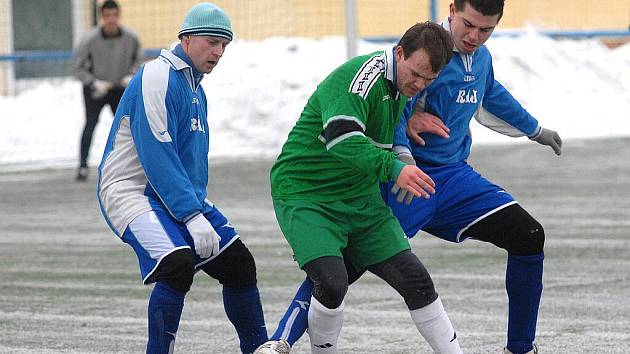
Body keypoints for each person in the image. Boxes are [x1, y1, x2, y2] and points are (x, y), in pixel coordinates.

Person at [258, 1, 562, 354]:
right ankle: (280, 340)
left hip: (454, 179)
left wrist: (534, 129)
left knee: (528, 235)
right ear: (451, 10)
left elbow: (491, 94)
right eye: (468, 25)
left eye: (486, 30)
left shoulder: (480, 59)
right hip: (405, 181)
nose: (474, 36)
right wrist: (404, 145)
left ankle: (521, 347)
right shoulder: (420, 54)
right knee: (343, 267)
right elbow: (389, 107)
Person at [257, 22, 461, 354]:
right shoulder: (362, 78)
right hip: (306, 193)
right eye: (416, 73)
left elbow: (383, 137)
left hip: (360, 196)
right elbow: (343, 141)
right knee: (332, 281)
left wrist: (402, 157)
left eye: (429, 80)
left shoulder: (400, 84)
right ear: (399, 53)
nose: (419, 84)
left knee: (417, 281)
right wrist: (395, 168)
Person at [96, 3, 268, 353]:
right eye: (211, 41)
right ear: (185, 38)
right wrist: (191, 215)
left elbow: (189, 161)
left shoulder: (196, 88)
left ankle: (258, 349)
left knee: (239, 265)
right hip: (131, 192)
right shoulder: (157, 76)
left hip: (176, 193)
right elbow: (156, 153)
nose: (218, 51)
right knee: (177, 264)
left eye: (225, 44)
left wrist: (197, 208)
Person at [72, 0, 142, 181]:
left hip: (120, 88)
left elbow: (138, 61)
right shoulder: (89, 39)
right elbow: (77, 68)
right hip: (97, 89)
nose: (111, 20)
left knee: (127, 126)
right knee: (90, 124)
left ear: (118, 16)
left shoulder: (131, 37)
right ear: (102, 17)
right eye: (107, 16)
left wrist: (130, 76)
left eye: (114, 15)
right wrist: (93, 82)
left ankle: (135, 164)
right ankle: (83, 166)